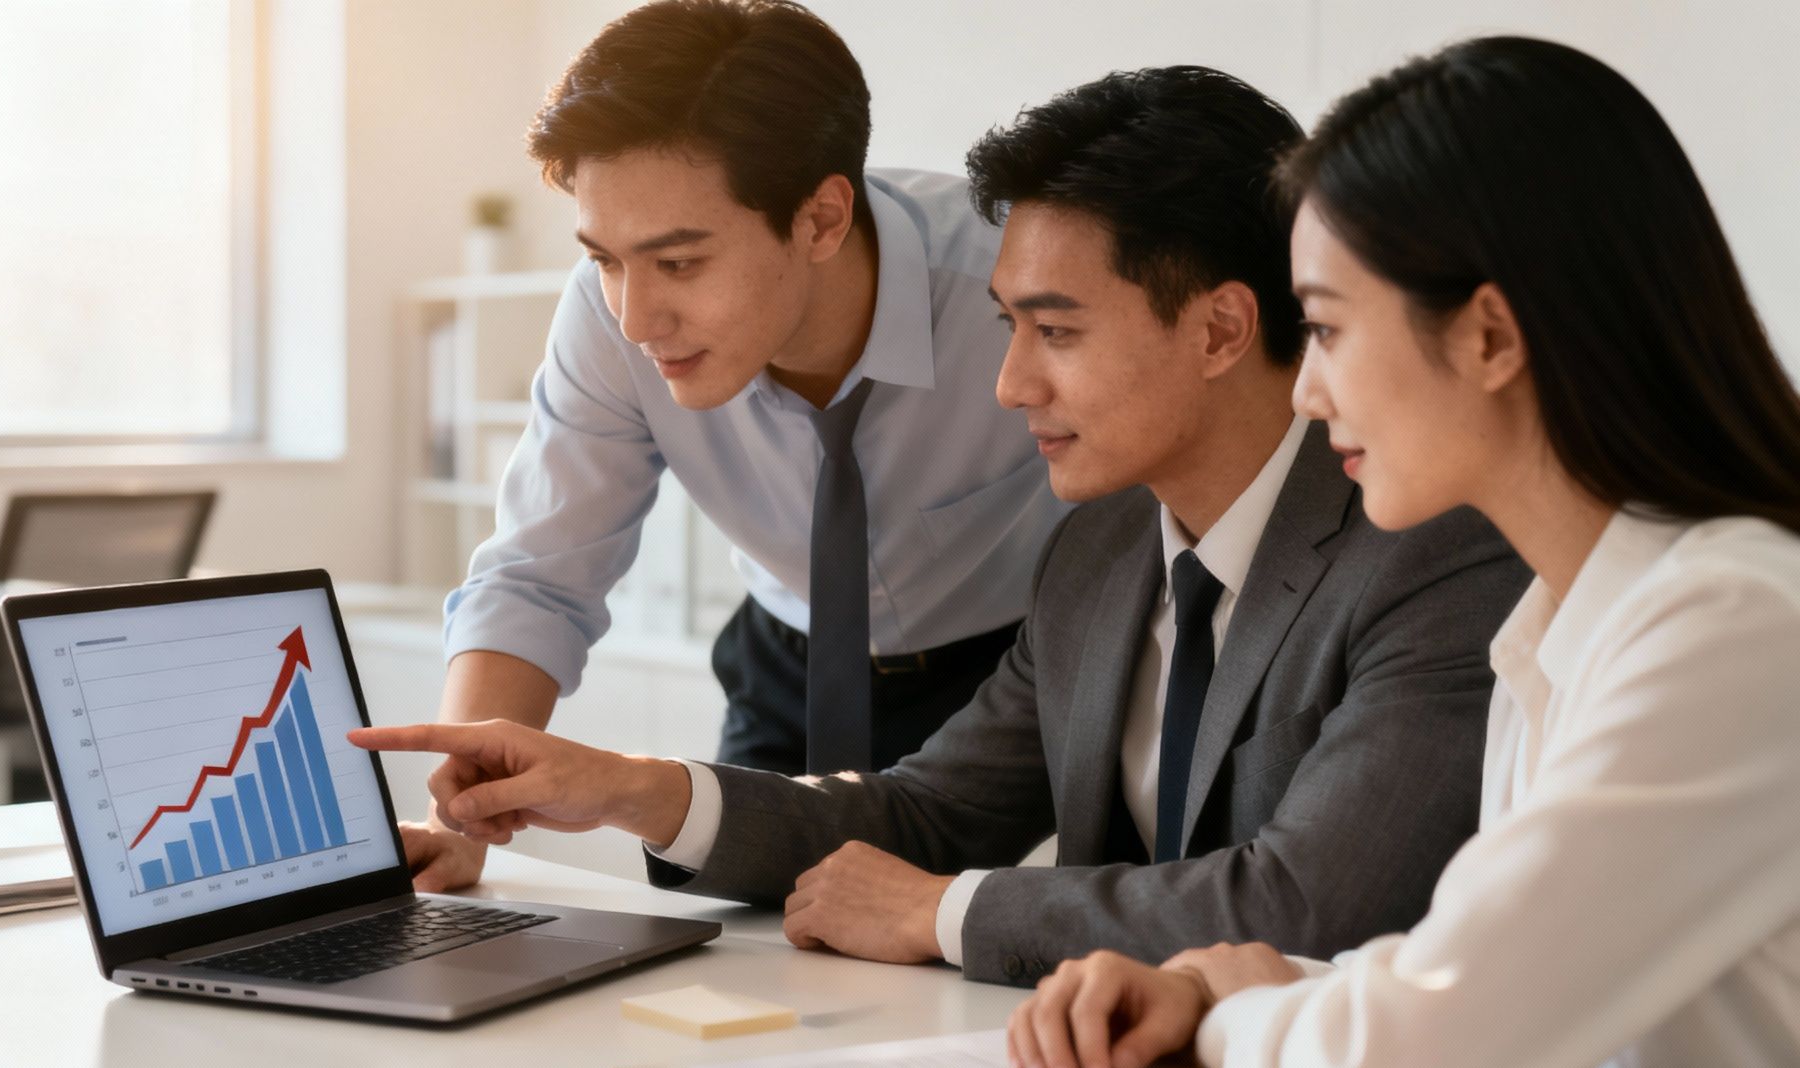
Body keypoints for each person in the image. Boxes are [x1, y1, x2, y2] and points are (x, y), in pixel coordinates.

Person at [353, 67, 1528, 984]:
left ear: (1221, 329)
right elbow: (928, 809)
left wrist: (944, 911)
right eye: (1007, 328)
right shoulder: (1102, 551)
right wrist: (631, 790)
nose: (1008, 386)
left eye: (1054, 332)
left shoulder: (1434, 550)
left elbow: (1306, 906)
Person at [1002, 37, 1800, 1068]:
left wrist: (1232, 1017)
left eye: (1326, 329)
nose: (1306, 389)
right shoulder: (1561, 629)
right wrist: (1215, 987)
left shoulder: (1731, 628)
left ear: (1488, 336)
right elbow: (1475, 987)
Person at [409, 0, 1069, 891]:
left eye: (679, 263)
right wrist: (460, 823)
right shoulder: (608, 315)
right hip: (789, 659)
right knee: (743, 928)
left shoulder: (1015, 287)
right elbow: (537, 574)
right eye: (605, 258)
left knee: (968, 944)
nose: (636, 319)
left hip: (1007, 669)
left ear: (822, 219)